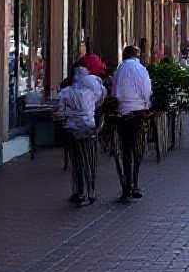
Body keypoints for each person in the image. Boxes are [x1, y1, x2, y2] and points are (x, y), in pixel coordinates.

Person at [57, 66, 105, 206]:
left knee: (77, 160)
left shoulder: (66, 92)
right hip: (88, 128)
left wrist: (65, 117)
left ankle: (80, 191)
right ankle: (90, 191)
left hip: (73, 128)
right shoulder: (90, 92)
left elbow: (59, 110)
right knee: (88, 160)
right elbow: (98, 101)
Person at [111, 45, 152, 203]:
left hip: (123, 113)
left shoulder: (119, 70)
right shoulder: (140, 69)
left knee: (125, 149)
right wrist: (147, 105)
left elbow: (115, 93)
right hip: (137, 112)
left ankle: (127, 185)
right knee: (136, 149)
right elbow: (146, 90)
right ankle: (134, 183)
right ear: (137, 55)